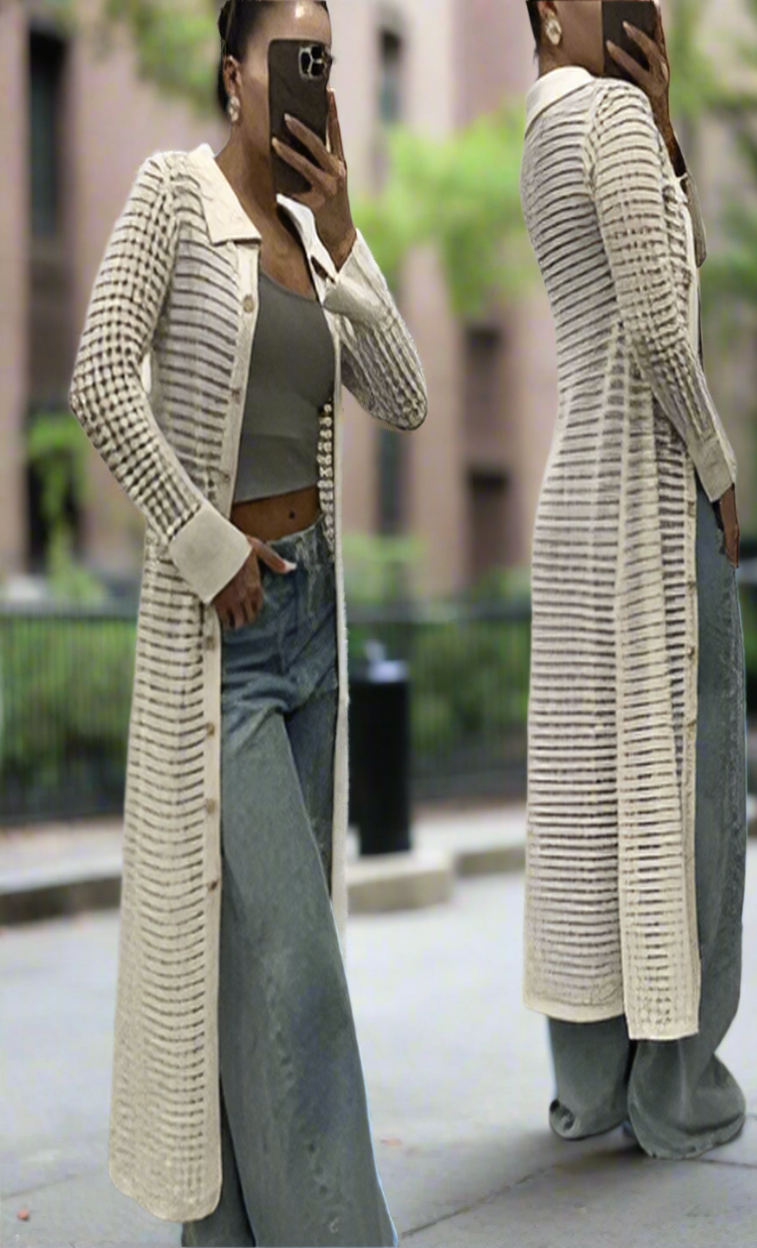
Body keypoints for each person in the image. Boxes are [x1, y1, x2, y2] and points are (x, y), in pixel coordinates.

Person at [68, 2, 427, 1243]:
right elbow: (101, 378)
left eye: (327, 54)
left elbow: (412, 400)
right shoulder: (173, 196)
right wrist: (207, 544)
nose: (314, 75)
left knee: (266, 962)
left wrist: (348, 239)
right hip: (226, 632)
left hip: (315, 612)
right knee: (300, 976)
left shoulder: (311, 240)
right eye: (294, 52)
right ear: (236, 75)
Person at [519, 0, 748, 1160]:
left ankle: (591, 1088)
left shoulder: (543, 124)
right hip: (648, 500)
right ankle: (678, 1084)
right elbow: (669, 320)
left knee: (585, 808)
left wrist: (666, 140)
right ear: (550, 12)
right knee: (689, 793)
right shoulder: (608, 114)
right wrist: (718, 471)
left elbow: (653, 281)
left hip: (573, 502)